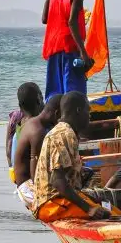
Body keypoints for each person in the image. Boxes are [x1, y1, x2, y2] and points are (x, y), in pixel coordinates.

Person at [32, 92, 112, 222]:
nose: (89, 116)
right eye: (88, 111)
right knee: (109, 214)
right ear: (78, 111)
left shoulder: (64, 131)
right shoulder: (65, 134)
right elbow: (57, 181)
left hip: (58, 200)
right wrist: (89, 209)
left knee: (107, 206)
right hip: (52, 204)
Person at [40, 0, 97, 100]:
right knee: (74, 95)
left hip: (53, 49)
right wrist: (83, 53)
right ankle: (74, 120)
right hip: (70, 49)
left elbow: (44, 19)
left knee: (55, 94)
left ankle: (53, 120)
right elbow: (71, 22)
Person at [12, 95, 62, 208]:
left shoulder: (35, 123)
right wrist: (41, 194)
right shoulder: (38, 131)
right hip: (27, 187)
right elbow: (36, 168)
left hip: (30, 182)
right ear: (57, 113)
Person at [6, 82, 43, 175]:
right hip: (30, 177)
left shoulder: (16, 118)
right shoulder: (36, 126)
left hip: (16, 173)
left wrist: (12, 168)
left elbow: (8, 149)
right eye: (41, 96)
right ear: (39, 99)